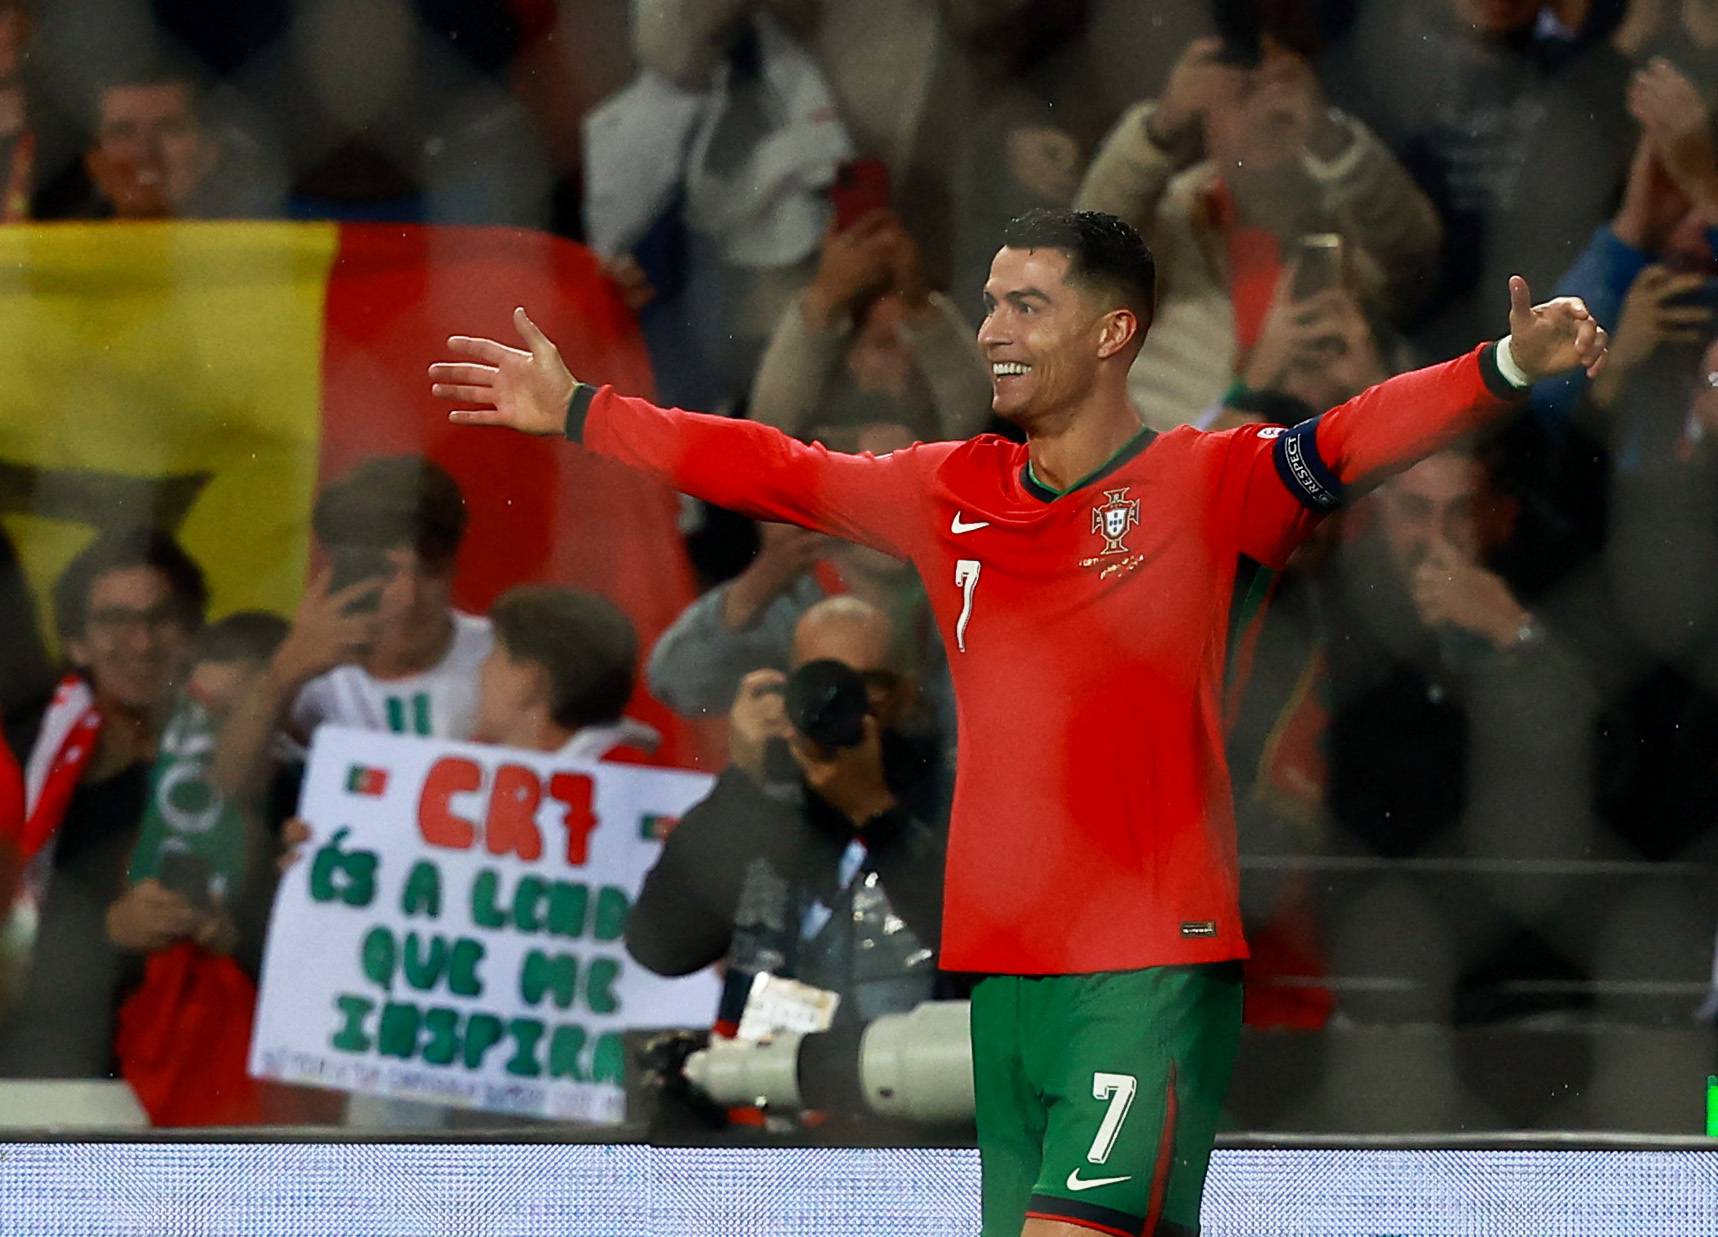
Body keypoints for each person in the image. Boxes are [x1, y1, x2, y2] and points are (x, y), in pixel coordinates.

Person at [429, 207, 1605, 1237]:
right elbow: (770, 467)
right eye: (990, 301)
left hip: (1144, 962)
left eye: (1024, 305)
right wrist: (583, 410)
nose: (990, 327)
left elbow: (1351, 436)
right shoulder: (947, 491)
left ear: (1111, 332)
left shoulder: (1211, 482)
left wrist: (1500, 364)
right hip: (1001, 973)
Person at [1076, 36, 1442, 430]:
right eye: (1242, 93)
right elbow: (1082, 255)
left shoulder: (1348, 210)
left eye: (1283, 87)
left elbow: (1413, 251)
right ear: (1206, 123)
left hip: (1343, 456)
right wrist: (1160, 126)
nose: (1266, 108)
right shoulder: (1171, 215)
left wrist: (1329, 138)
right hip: (1187, 457)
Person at [628, 595, 947, 1034]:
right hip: (770, 1083)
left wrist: (874, 811)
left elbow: (978, 950)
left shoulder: (951, 796)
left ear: (907, 693)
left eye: (865, 685)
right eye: (822, 680)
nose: (840, 701)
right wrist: (745, 785)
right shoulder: (765, 802)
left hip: (915, 1082)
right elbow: (661, 948)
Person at [0, 528, 206, 1076]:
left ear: (190, 635)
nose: (141, 643)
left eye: (161, 619)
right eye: (114, 621)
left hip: (193, 1078)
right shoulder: (19, 761)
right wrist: (107, 934)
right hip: (42, 1074)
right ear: (76, 644)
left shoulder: (246, 758)